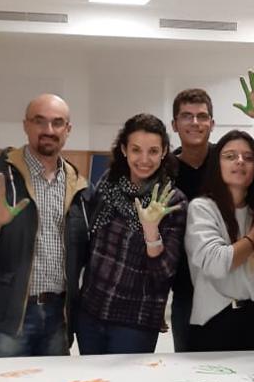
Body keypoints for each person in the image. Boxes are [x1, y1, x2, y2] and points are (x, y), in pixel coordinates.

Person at [0, 94, 93, 357]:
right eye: (39, 121)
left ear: (68, 129)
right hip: (8, 316)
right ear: (25, 125)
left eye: (57, 123)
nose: (48, 130)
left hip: (59, 317)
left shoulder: (81, 188)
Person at [76, 114, 186, 354]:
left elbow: (164, 273)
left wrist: (151, 232)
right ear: (124, 149)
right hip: (91, 312)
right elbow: (90, 243)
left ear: (164, 151)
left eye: (153, 151)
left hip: (135, 320)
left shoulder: (171, 200)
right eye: (136, 150)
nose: (144, 159)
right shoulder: (108, 183)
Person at [185, 130, 254, 350]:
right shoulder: (202, 208)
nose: (240, 162)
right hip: (214, 320)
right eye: (230, 156)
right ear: (217, 164)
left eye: (248, 157)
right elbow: (217, 264)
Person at [169, 89, 216, 351]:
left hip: (228, 288)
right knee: (186, 371)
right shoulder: (165, 171)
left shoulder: (228, 162)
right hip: (185, 291)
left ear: (212, 123)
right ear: (174, 125)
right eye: (187, 116)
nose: (195, 123)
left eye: (202, 116)